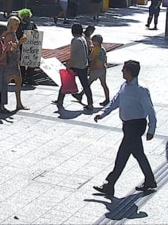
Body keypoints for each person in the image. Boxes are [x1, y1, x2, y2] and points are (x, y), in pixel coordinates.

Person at [93, 60, 157, 197]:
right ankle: (150, 181)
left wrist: (151, 129)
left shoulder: (141, 90)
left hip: (136, 126)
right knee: (139, 154)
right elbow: (116, 101)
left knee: (122, 155)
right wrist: (103, 113)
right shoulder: (124, 86)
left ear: (130, 72)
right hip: (127, 126)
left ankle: (110, 184)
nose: (121, 71)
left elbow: (150, 110)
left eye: (124, 69)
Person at [52, 23, 94, 110]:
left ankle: (60, 100)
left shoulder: (75, 40)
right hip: (84, 64)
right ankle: (90, 103)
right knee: (85, 85)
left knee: (65, 81)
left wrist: (68, 65)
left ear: (72, 31)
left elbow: (73, 55)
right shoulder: (83, 39)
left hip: (76, 65)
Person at [74, 34, 110, 106]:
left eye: (93, 41)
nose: (92, 42)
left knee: (88, 83)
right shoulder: (102, 49)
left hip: (96, 69)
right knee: (103, 84)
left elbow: (92, 59)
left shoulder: (95, 50)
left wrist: (90, 69)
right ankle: (107, 99)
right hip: (103, 68)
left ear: (97, 42)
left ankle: (81, 95)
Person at [4, 16, 30, 110]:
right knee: (4, 83)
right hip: (10, 62)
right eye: (16, 24)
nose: (18, 26)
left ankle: (19, 103)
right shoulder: (9, 35)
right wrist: (20, 43)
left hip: (14, 62)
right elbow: (10, 48)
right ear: (11, 25)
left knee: (18, 82)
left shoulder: (13, 34)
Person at [16, 8, 38, 86]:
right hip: (21, 46)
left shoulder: (32, 24)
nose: (27, 18)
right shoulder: (18, 25)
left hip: (30, 46)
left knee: (31, 64)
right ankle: (22, 79)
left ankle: (30, 78)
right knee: (21, 64)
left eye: (28, 16)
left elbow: (36, 34)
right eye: (25, 16)